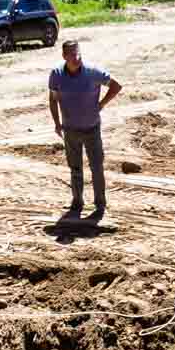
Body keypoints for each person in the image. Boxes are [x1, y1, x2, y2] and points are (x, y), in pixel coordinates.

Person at [47, 39, 121, 222]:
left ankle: (100, 204)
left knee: (97, 168)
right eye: (72, 53)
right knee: (75, 169)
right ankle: (77, 202)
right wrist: (57, 123)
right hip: (70, 130)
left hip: (92, 129)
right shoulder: (56, 75)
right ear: (64, 56)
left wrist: (101, 104)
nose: (76, 56)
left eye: (78, 52)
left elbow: (116, 86)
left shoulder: (93, 72)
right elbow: (53, 99)